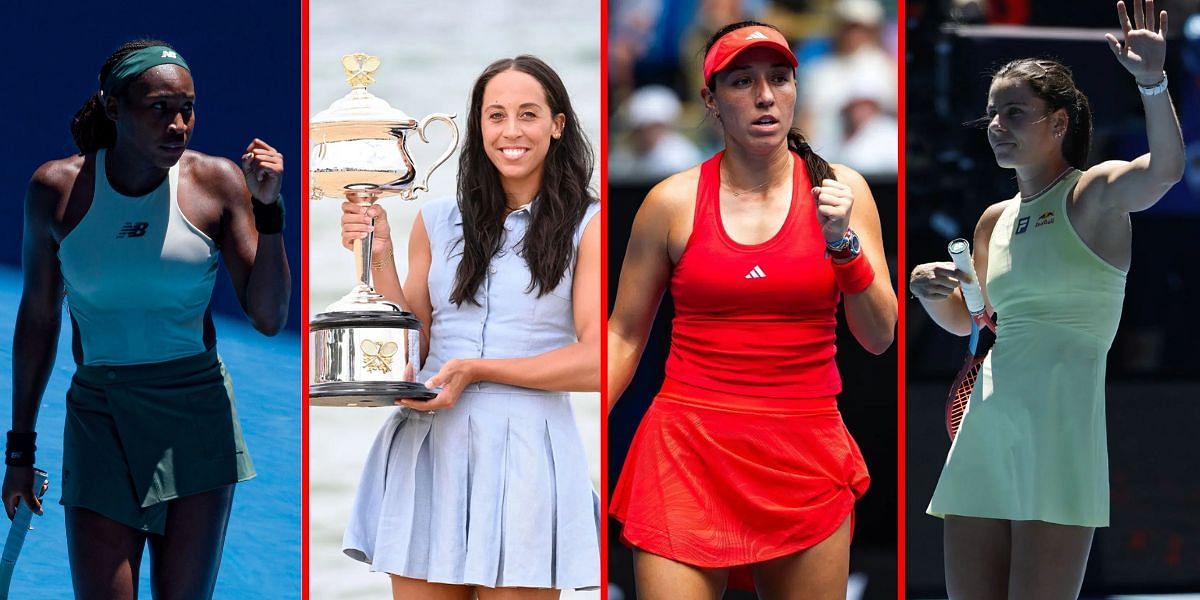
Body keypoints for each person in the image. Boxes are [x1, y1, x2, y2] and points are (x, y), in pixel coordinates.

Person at [608, 21, 896, 598]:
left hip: (805, 453)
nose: (765, 95)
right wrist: (579, 435)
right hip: (687, 450)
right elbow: (624, 335)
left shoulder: (846, 192)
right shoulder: (670, 201)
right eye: (742, 81)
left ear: (796, 90)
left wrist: (843, 244)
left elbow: (878, 335)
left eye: (779, 78)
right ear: (711, 101)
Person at [908, 2, 1184, 597]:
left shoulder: (1095, 194)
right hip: (987, 429)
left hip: (1059, 435)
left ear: (1058, 123)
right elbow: (972, 323)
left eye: (1015, 113)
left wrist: (1153, 84)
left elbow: (1164, 172)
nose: (997, 126)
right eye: (992, 115)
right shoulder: (991, 221)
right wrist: (932, 295)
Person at [1, 39, 290, 599]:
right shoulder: (56, 190)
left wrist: (269, 209)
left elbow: (267, 317)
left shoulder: (218, 183)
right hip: (99, 418)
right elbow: (37, 320)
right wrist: (19, 453)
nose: (178, 124)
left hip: (197, 417)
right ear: (113, 108)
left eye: (187, 108)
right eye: (159, 107)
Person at [339, 55, 601, 599]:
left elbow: (598, 360)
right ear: (478, 124)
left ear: (557, 124)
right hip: (429, 449)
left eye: (528, 115)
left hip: (530, 454)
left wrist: (477, 370)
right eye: (495, 115)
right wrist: (377, 255)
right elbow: (412, 344)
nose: (511, 131)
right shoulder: (435, 220)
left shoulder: (590, 225)